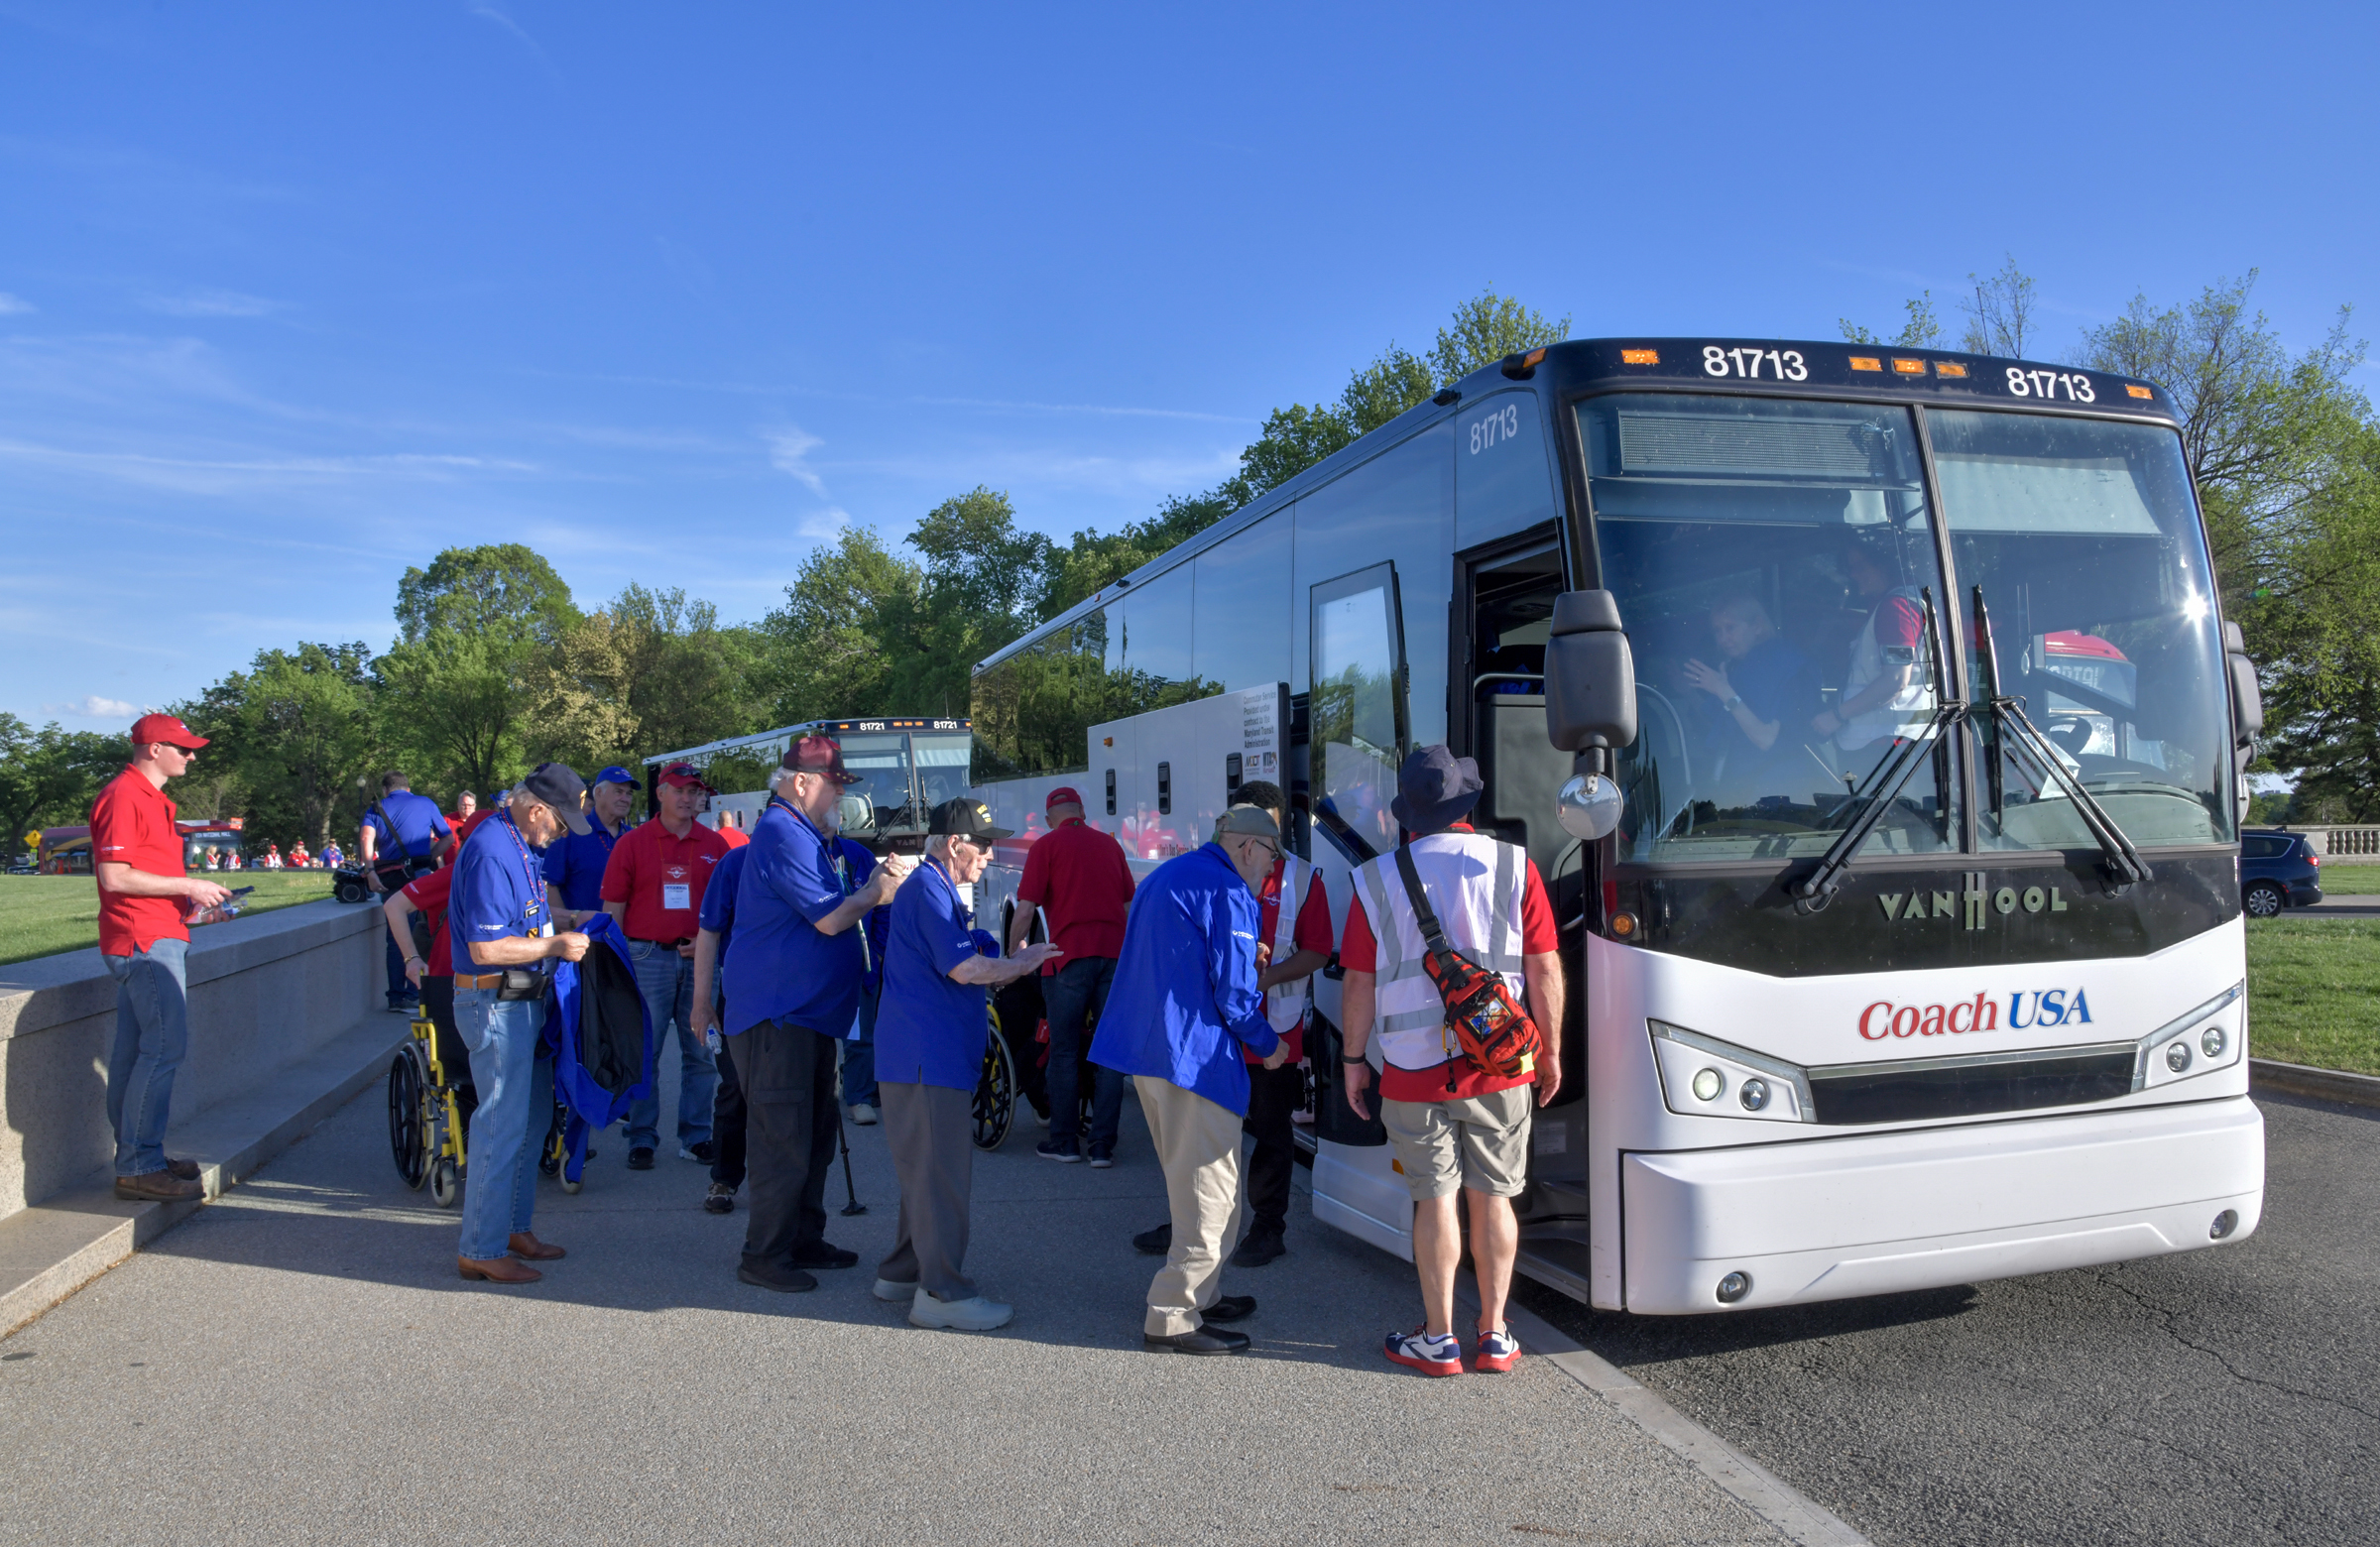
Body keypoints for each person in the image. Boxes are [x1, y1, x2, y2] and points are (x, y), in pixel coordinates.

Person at [1339, 746, 1564, 1377]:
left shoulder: (1376, 877)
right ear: (1468, 805)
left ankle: (1438, 1340)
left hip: (1412, 1069)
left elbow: (1358, 981)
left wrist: (1354, 1060)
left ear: (1407, 816)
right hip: (1499, 1063)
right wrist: (1548, 1052)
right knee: (1494, 1198)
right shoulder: (1517, 867)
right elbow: (1544, 966)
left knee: (1433, 1199)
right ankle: (1493, 1335)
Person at [1089, 804, 1289, 1356]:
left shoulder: (1170, 876)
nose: (1272, 871)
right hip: (1193, 1061)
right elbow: (1236, 998)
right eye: (1273, 857)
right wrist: (1272, 1048)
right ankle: (1173, 1315)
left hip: (1151, 1054)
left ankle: (1204, 1291)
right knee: (1212, 1195)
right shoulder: (1228, 890)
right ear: (1249, 846)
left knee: (1191, 1188)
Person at [721, 736, 910, 1293]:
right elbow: (829, 920)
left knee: (813, 1136)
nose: (839, 797)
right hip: (779, 1017)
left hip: (807, 1018)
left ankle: (801, 1238)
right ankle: (764, 1255)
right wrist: (877, 892)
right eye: (833, 786)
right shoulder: (783, 831)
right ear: (802, 782)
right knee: (782, 1139)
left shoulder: (804, 831)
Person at [872, 798, 1062, 1331]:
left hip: (922, 1058)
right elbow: (963, 968)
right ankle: (943, 1294)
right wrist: (1019, 964)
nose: (988, 854)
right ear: (954, 843)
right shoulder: (930, 891)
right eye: (982, 844)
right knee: (941, 1177)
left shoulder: (932, 889)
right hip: (925, 1061)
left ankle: (901, 1273)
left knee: (924, 1173)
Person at [1130, 780, 1331, 1268]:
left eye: (1271, 834)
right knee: (1195, 1139)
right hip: (1212, 1033)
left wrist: (1264, 978)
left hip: (1269, 1031)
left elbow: (1318, 950)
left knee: (1269, 1132)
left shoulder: (1302, 879)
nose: (1266, 850)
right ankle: (1190, 1228)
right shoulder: (1210, 874)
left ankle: (1267, 1225)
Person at [448, 765, 593, 1285]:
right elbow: (485, 948)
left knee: (530, 1122)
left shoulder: (516, 840)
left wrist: (566, 920)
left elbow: (524, 917)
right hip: (495, 1004)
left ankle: (511, 1227)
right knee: (500, 1126)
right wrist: (555, 944)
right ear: (536, 810)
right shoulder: (492, 849)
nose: (559, 833)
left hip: (521, 1001)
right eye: (558, 822)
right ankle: (481, 1249)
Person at [90, 714, 234, 1203]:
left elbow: (145, 877)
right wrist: (188, 885)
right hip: (142, 942)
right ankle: (138, 1164)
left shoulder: (151, 798)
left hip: (156, 934)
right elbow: (115, 876)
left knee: (133, 1056)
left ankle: (140, 1154)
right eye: (183, 748)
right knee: (164, 1048)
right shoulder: (124, 795)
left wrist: (192, 906)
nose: (191, 755)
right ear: (153, 749)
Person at [602, 761, 730, 1170]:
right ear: (660, 793)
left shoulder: (715, 845)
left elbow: (730, 908)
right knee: (645, 1052)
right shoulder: (633, 843)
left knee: (701, 1052)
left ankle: (696, 1136)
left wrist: (710, 943)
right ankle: (641, 1137)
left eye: (695, 792)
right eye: (680, 790)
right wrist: (614, 965)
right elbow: (613, 909)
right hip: (646, 958)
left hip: (699, 960)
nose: (689, 798)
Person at [1007, 785, 1135, 1166]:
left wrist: (1013, 957)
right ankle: (1101, 1147)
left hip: (1066, 959)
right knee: (1109, 1051)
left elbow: (1026, 910)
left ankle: (1063, 1141)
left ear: (1050, 819)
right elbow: (1130, 905)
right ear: (1082, 811)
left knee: (1062, 1050)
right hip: (1113, 956)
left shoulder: (1044, 847)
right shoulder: (1110, 846)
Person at [1681, 595, 1821, 800]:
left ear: (1757, 626)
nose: (1723, 638)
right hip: (1752, 787)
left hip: (1776, 789)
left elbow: (1765, 738)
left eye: (1730, 628)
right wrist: (1687, 692)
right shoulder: (1742, 668)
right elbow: (1719, 725)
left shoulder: (1775, 660)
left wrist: (1722, 688)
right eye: (1718, 631)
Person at [1815, 536, 1932, 756]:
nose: (1853, 575)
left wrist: (1837, 716)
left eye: (1859, 567)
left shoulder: (1896, 608)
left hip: (1883, 747)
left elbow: (1896, 680)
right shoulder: (1914, 599)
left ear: (1885, 565)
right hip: (1900, 739)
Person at [689, 835, 752, 1215]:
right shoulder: (735, 863)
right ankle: (724, 1178)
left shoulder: (829, 856)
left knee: (794, 1094)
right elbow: (709, 931)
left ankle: (790, 1192)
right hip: (740, 993)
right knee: (735, 1086)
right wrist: (701, 1003)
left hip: (797, 998)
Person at [362, 772, 454, 1016]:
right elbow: (448, 837)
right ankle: (423, 990)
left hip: (391, 876)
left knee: (396, 936)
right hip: (421, 872)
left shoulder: (377, 807)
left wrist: (370, 871)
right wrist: (431, 858)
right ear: (408, 787)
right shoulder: (426, 803)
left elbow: (366, 837)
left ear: (385, 790)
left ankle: (397, 996)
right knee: (427, 929)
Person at [836, 824, 891, 1127]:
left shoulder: (860, 856)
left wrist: (878, 952)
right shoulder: (802, 856)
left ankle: (859, 1096)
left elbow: (884, 906)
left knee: (862, 1033)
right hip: (816, 966)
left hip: (861, 963)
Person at [545, 765, 636, 924]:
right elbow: (550, 884)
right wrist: (567, 926)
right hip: (583, 937)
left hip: (627, 939)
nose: (625, 798)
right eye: (618, 792)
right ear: (599, 793)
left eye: (629, 793)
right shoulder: (571, 832)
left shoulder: (634, 837)